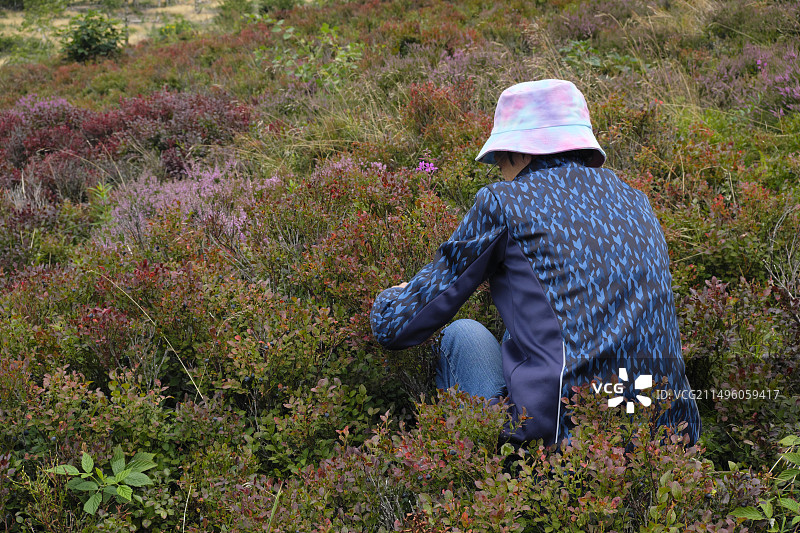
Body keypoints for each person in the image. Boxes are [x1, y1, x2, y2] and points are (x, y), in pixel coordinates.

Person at [370, 79, 701, 448]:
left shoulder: (503, 203)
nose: (499, 170)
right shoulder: (636, 201)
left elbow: (397, 328)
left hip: (562, 453)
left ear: (520, 153)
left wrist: (390, 301)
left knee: (463, 335)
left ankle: (478, 476)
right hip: (665, 439)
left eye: (498, 158)